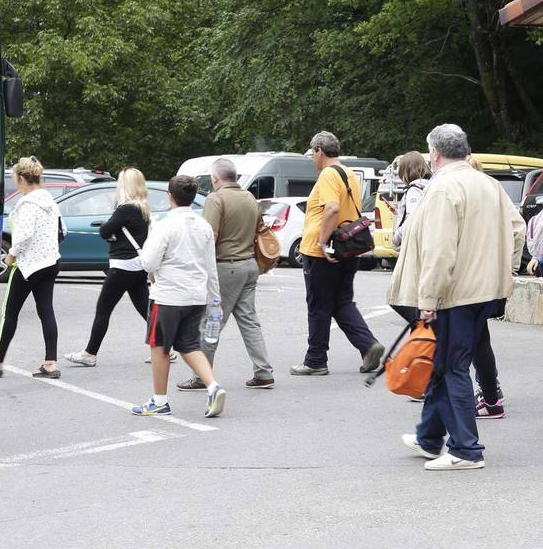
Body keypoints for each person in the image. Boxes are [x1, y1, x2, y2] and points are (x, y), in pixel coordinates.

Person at [390, 124, 525, 470]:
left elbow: (438, 250)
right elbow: (518, 228)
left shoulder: (443, 188)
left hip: (454, 293)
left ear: (434, 154)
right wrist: (505, 272)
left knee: (451, 366)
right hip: (485, 290)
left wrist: (428, 299)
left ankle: (466, 449)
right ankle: (429, 437)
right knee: (444, 363)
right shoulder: (489, 184)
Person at [132, 175, 227, 418]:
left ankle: (160, 400)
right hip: (196, 296)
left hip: (167, 296)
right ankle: (213, 386)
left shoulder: (164, 225)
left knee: (160, 347)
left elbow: (149, 263)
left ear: (170, 196)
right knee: (189, 345)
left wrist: (144, 254)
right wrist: (214, 299)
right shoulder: (203, 225)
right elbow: (210, 267)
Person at [291, 131, 384, 376]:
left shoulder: (328, 175)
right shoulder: (349, 173)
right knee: (342, 302)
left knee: (319, 306)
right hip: (346, 248)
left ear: (320, 151)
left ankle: (315, 360)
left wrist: (322, 242)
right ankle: (368, 346)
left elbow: (332, 208)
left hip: (324, 252)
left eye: (312, 152)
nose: (312, 157)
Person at [178, 158, 275, 391]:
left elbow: (207, 237)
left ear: (215, 178)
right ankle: (264, 373)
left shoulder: (215, 198)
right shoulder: (250, 197)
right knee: (250, 321)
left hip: (225, 268)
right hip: (250, 265)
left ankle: (201, 376)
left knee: (212, 321)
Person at [0, 157, 62, 380]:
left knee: (9, 313)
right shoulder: (49, 200)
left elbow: (23, 236)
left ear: (21, 178)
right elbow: (63, 230)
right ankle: (51, 363)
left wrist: (11, 256)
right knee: (46, 311)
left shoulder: (27, 203)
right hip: (50, 261)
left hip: (29, 265)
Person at [65, 168, 154, 368]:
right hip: (138, 266)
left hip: (121, 266)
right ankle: (164, 347)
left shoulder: (125, 209)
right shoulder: (143, 208)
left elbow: (104, 230)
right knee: (145, 309)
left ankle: (90, 353)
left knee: (103, 310)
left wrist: (110, 233)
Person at [391, 151, 430, 250]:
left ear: (405, 171)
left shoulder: (413, 190)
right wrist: (398, 211)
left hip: (413, 246)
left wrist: (397, 237)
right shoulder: (429, 186)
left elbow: (412, 218)